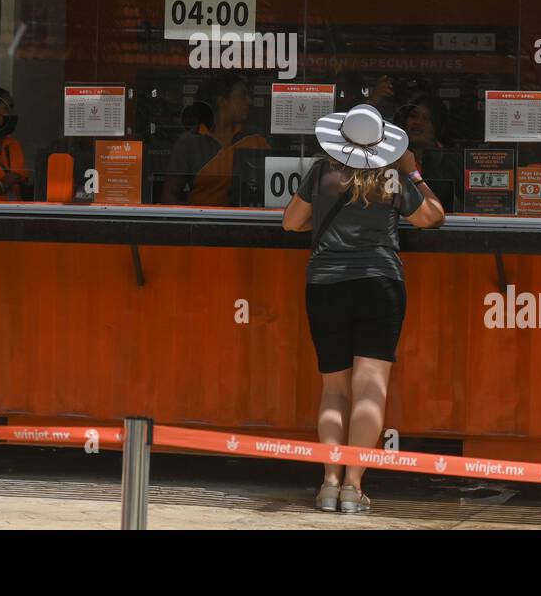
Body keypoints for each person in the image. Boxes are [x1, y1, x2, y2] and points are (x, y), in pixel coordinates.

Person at [282, 103, 446, 514]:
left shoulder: (322, 173)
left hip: (325, 285)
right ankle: (354, 487)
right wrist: (414, 173)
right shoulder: (392, 177)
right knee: (371, 387)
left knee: (333, 389)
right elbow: (433, 218)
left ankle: (328, 483)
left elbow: (290, 222)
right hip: (380, 283)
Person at [160, 73, 268, 206]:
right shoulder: (190, 142)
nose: (249, 101)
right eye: (242, 95)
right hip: (199, 222)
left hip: (244, 221)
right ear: (222, 100)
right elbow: (170, 194)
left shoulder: (255, 139)